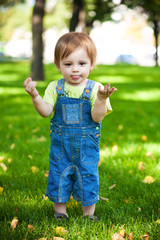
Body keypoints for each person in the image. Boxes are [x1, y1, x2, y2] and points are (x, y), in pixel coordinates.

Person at [24, 32, 117, 221]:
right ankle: (60, 212)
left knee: (88, 176)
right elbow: (45, 111)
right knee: (59, 175)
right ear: (59, 65)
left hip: (86, 149)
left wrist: (101, 99)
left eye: (81, 64)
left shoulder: (95, 88)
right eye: (68, 64)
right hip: (61, 148)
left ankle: (88, 214)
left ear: (92, 64)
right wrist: (35, 96)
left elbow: (97, 118)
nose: (75, 70)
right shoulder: (54, 87)